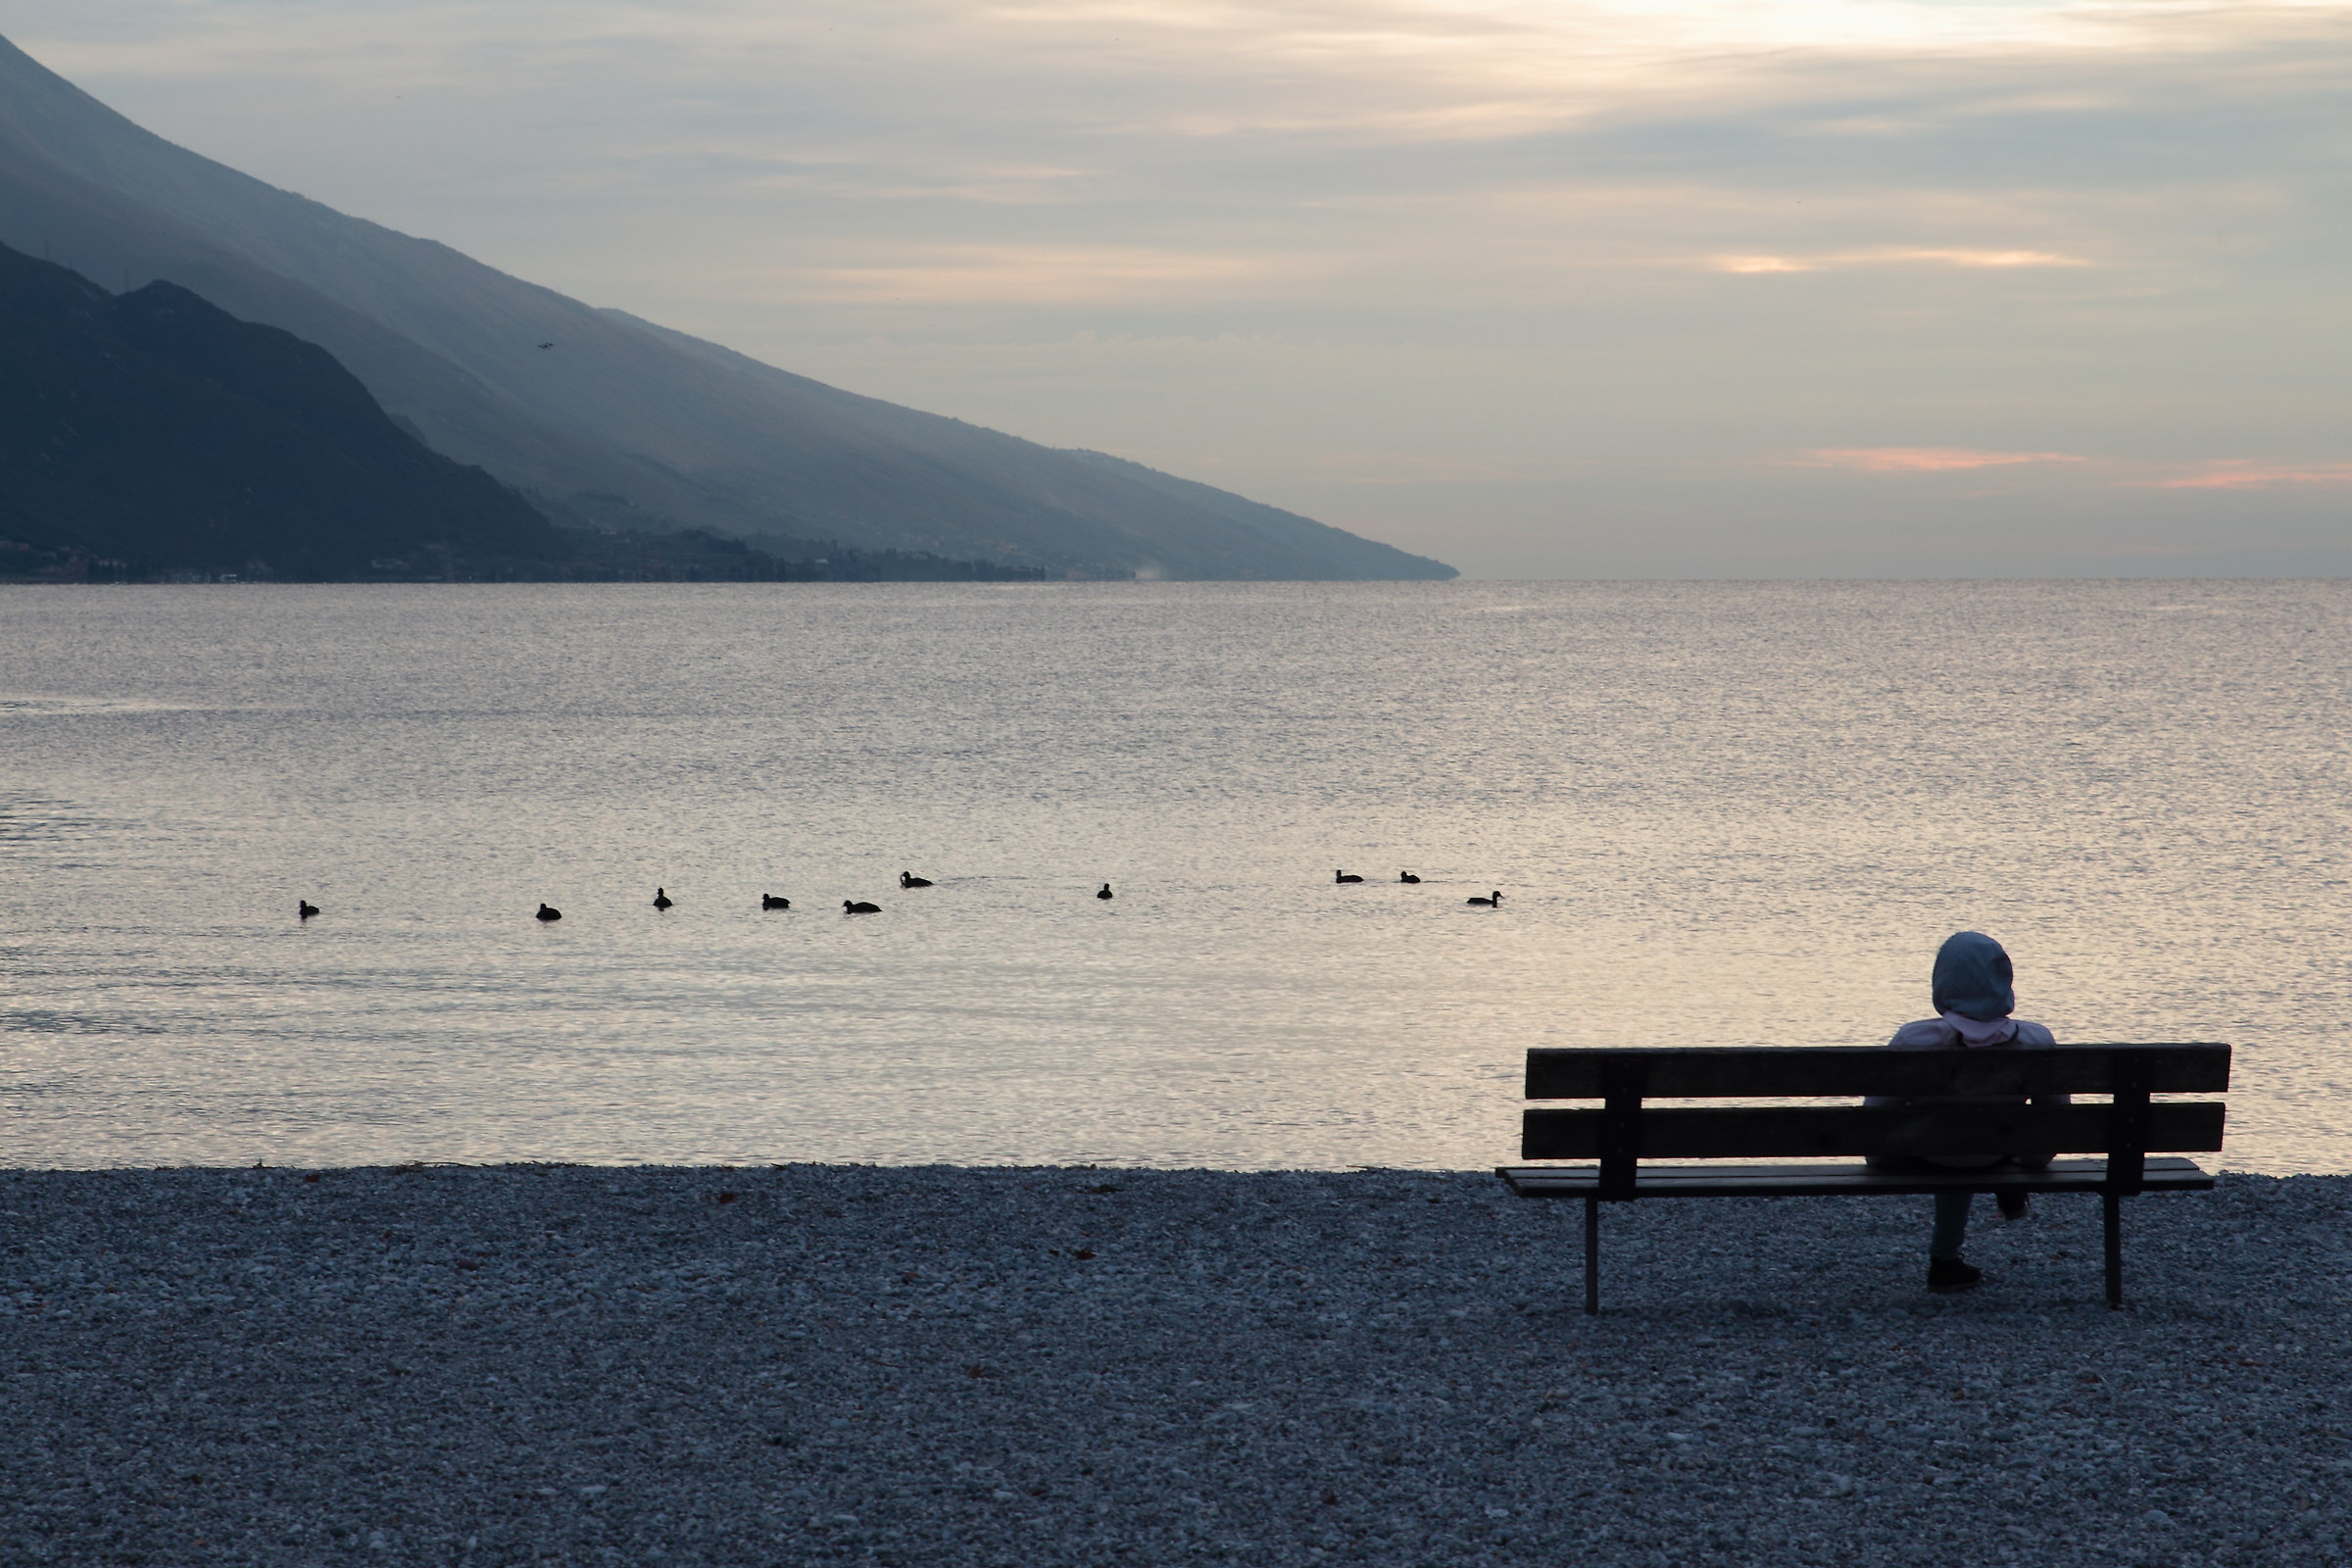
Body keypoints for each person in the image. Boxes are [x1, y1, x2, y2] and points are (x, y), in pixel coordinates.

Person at [1872, 931, 2058, 1294]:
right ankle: (2005, 1189)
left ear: (1942, 982)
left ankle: (1945, 1261)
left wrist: (1879, 1158)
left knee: (1950, 1140)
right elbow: (2054, 1122)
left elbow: (1875, 1118)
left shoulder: (1913, 1040)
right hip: (1999, 1153)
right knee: (1977, 1138)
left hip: (1929, 1155)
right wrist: (2029, 1162)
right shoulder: (2036, 1041)